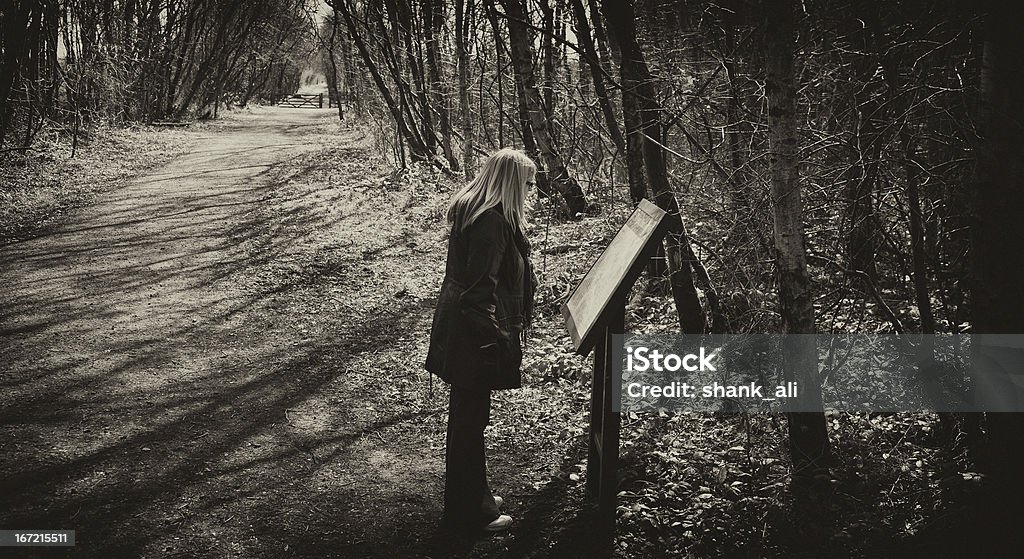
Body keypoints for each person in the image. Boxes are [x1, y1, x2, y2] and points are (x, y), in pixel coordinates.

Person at [424, 148, 537, 534]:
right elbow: (479, 293)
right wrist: (496, 341)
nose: (531, 191)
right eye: (527, 183)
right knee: (470, 422)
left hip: (462, 330)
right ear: (509, 182)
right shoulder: (491, 222)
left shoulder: (475, 209)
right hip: (475, 335)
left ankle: (476, 496)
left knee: (468, 420)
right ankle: (469, 513)